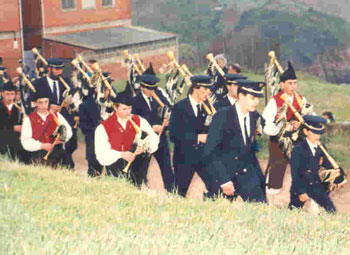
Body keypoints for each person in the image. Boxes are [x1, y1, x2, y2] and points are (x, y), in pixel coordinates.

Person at [203, 80, 266, 203]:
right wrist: (224, 180)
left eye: (258, 98)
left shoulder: (253, 116)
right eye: (252, 98)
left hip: (246, 174)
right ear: (241, 96)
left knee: (260, 208)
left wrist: (258, 178)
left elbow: (248, 147)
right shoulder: (222, 116)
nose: (256, 102)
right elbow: (210, 152)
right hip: (224, 174)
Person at [262, 61, 310, 199]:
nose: (293, 86)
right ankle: (268, 198)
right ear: (282, 84)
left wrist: (298, 125)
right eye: (289, 83)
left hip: (296, 140)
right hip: (278, 140)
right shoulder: (275, 101)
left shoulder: (301, 99)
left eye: (294, 83)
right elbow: (266, 122)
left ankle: (300, 198)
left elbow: (307, 118)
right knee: (277, 167)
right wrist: (281, 128)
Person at [95, 92, 159, 187]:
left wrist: (145, 148)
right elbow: (101, 154)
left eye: (130, 108)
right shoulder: (103, 127)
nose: (128, 112)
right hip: (115, 173)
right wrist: (121, 154)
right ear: (115, 108)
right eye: (124, 109)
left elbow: (154, 139)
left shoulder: (139, 121)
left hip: (138, 173)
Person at [132, 65, 175, 192]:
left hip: (160, 139)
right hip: (144, 141)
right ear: (142, 87)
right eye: (149, 89)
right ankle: (138, 191)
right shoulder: (135, 102)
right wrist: (151, 127)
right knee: (141, 169)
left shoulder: (160, 97)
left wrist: (166, 121)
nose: (153, 92)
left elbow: (167, 112)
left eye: (154, 88)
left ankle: (172, 192)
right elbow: (135, 121)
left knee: (167, 167)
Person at [169, 75, 213, 197]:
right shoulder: (179, 107)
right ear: (195, 88)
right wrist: (197, 138)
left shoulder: (207, 107)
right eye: (205, 89)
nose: (208, 92)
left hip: (203, 156)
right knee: (179, 193)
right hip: (184, 157)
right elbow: (174, 135)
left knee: (215, 186)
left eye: (209, 89)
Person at [289, 115, 337, 213]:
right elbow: (295, 174)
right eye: (314, 133)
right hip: (301, 186)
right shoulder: (298, 149)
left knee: (331, 211)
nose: (317, 136)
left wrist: (337, 174)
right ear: (306, 131)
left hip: (316, 186)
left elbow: (328, 164)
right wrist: (301, 192)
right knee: (293, 212)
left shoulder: (321, 147)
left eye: (319, 133)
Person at [21, 89, 72, 167]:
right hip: (37, 157)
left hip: (56, 155)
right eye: (40, 102)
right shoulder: (29, 119)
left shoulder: (56, 115)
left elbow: (68, 130)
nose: (43, 105)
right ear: (35, 103)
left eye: (46, 102)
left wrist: (62, 138)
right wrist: (41, 146)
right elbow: (25, 141)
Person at [79, 86, 103, 177]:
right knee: (94, 172)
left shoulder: (113, 105)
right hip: (93, 143)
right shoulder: (85, 105)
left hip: (110, 145)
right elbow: (84, 128)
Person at [0, 81, 24, 161]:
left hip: (16, 140)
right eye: (7, 94)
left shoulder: (19, 108)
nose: (10, 97)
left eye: (12, 94)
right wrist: (13, 128)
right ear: (2, 94)